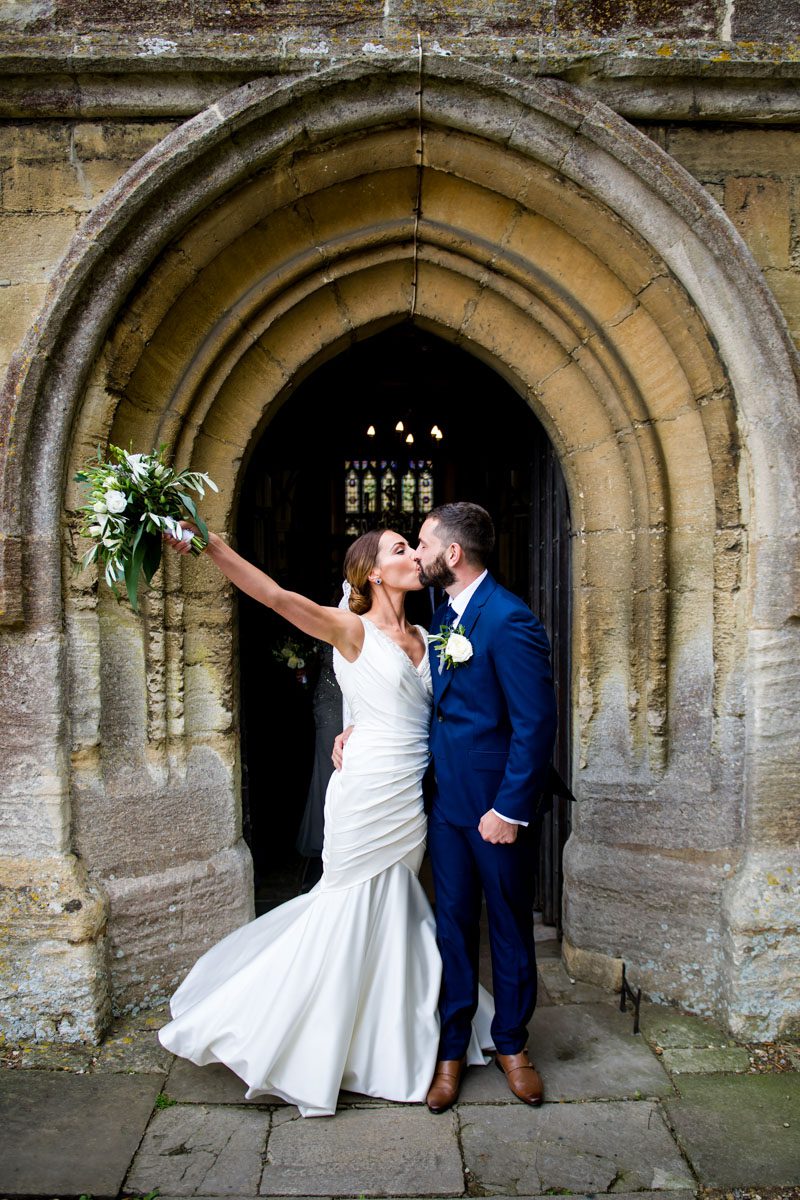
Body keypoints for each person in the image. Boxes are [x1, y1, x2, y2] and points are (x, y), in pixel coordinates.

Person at [157, 524, 490, 1117]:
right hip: (366, 791)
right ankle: (307, 1032)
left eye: (413, 547)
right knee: (348, 900)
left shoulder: (428, 632)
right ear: (370, 572)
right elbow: (277, 598)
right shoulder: (349, 628)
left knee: (396, 901)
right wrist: (210, 545)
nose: (415, 555)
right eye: (399, 550)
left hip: (413, 790)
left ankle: (385, 1034)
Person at [416, 502, 557, 1113]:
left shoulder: (509, 619)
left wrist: (509, 809)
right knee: (451, 927)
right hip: (448, 808)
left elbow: (535, 724)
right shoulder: (442, 611)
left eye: (422, 543)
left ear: (453, 554)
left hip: (497, 813)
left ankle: (512, 1046)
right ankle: (452, 1051)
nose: (417, 554)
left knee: (507, 925)